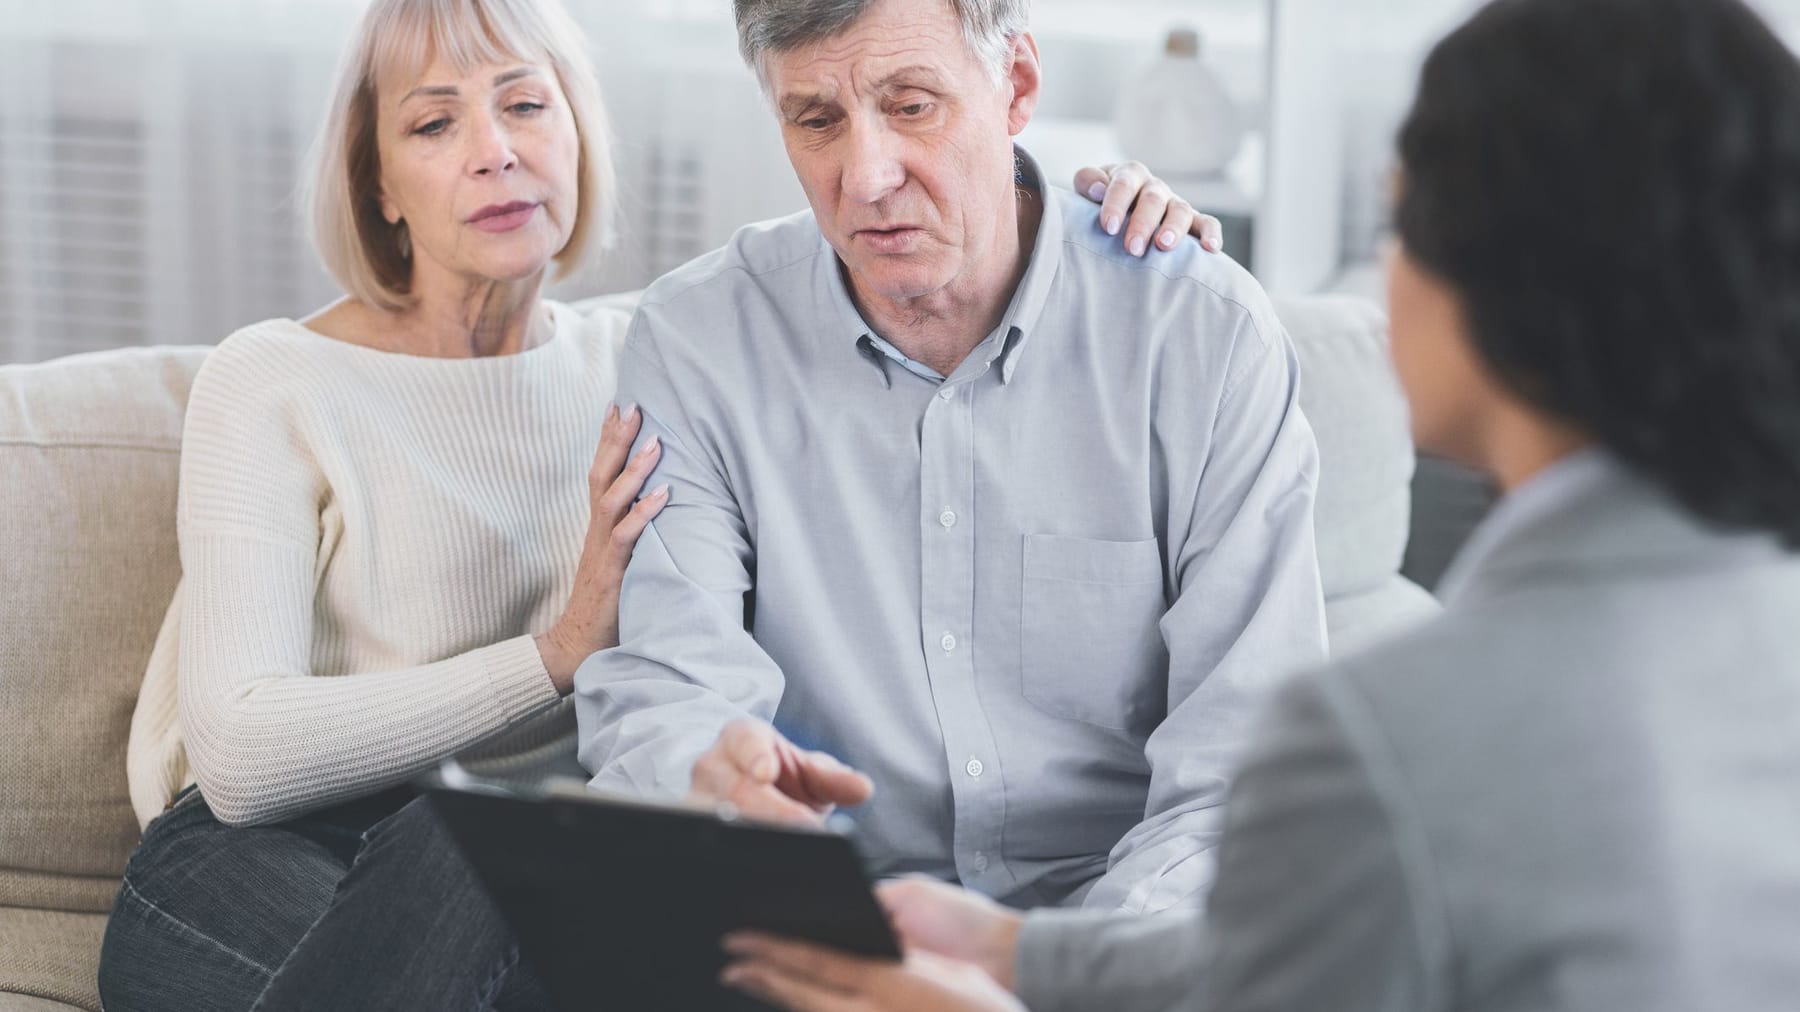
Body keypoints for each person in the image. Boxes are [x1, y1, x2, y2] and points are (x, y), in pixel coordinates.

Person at [95, 0, 1222, 1005]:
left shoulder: (651, 355)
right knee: (480, 843)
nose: (494, 153)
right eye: (434, 124)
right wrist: (557, 654)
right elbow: (237, 756)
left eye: (526, 105)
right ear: (376, 180)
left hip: (515, 868)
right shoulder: (274, 377)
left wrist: (1106, 214)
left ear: (580, 133)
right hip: (252, 864)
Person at [715, 0, 1800, 1009]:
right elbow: (1296, 942)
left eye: (1399, 222)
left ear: (1495, 286)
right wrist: (1015, 952)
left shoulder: (1383, 739)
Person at [576, 0, 1327, 923]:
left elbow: (1237, 777)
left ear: (1015, 84)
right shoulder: (697, 345)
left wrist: (1053, 976)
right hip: (828, 929)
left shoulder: (1201, 339)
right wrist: (708, 778)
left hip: (1120, 939)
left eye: (912, 105)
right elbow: (669, 689)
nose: (866, 176)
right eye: (816, 119)